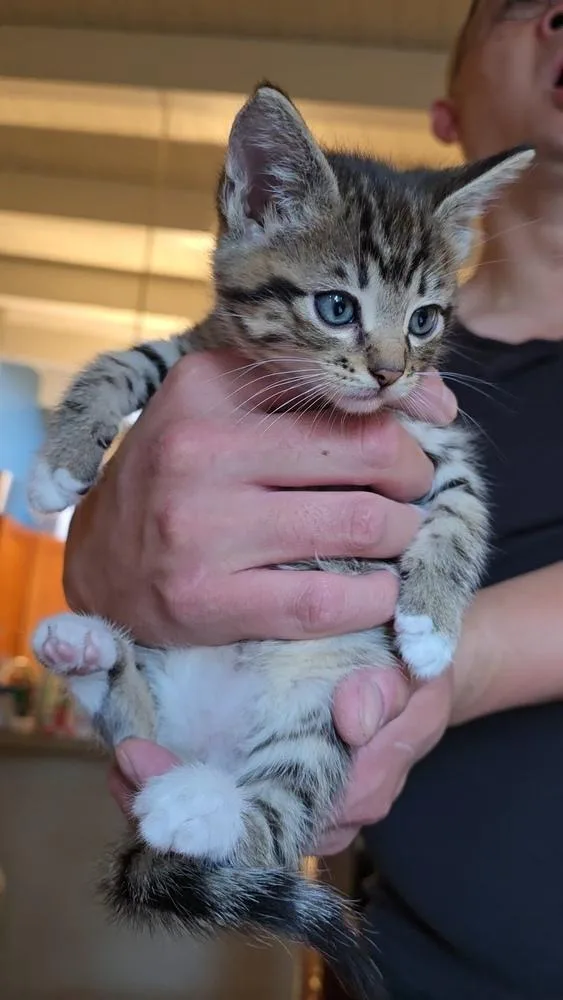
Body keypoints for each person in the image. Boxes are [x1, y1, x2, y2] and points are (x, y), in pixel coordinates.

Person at [63, 1, 563, 996]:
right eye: (514, 4)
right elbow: (161, 475)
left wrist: (451, 669)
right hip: (408, 967)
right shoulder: (301, 347)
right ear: (443, 117)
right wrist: (102, 545)